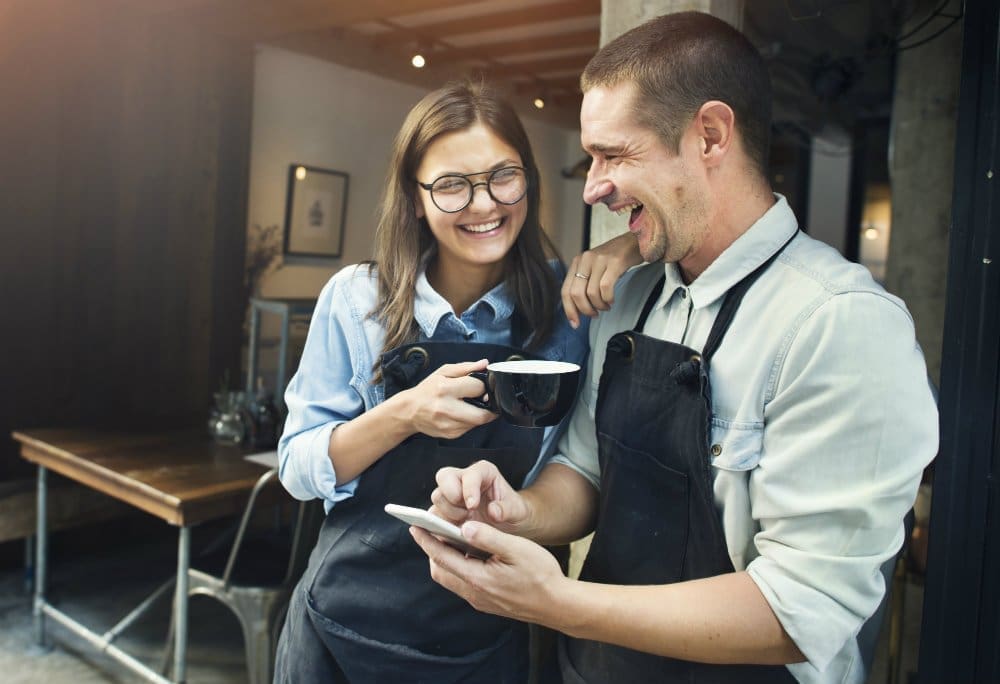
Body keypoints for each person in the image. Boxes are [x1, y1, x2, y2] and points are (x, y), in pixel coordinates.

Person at [412, 11, 939, 684]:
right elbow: (585, 472)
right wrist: (518, 513)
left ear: (711, 135)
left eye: (615, 155)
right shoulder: (629, 298)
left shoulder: (843, 326)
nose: (595, 186)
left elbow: (801, 610)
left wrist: (559, 602)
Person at [272, 80, 594, 683]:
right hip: (345, 625)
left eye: (504, 175)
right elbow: (296, 468)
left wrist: (625, 251)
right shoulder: (356, 299)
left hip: (497, 630)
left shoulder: (570, 311)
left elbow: (578, 473)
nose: (483, 204)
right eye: (451, 186)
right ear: (416, 199)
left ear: (529, 180)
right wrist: (403, 414)